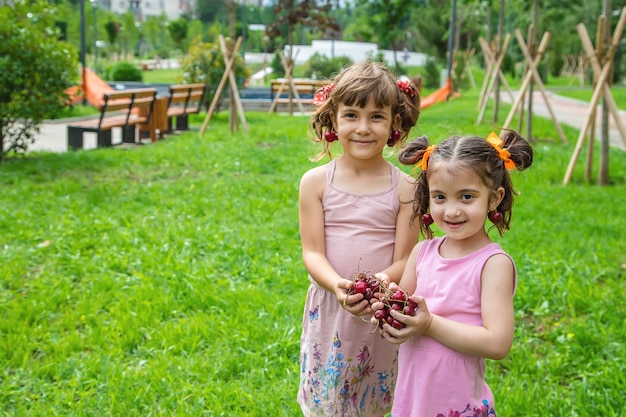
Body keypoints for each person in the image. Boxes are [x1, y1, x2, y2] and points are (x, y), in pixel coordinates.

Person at [373, 131, 533, 416]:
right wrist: (382, 300)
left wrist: (430, 324)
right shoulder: (422, 252)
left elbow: (497, 343)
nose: (451, 210)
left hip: (457, 405)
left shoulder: (492, 264)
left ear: (494, 198)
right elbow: (402, 309)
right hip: (413, 401)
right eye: (440, 197)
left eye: (466, 197)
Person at [297, 61, 421, 417]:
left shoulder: (406, 188)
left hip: (379, 312)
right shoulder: (315, 183)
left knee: (373, 401)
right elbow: (312, 252)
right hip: (331, 308)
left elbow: (405, 259)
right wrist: (338, 285)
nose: (363, 128)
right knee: (328, 400)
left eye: (376, 117)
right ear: (333, 120)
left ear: (395, 123)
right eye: (351, 115)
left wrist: (378, 283)